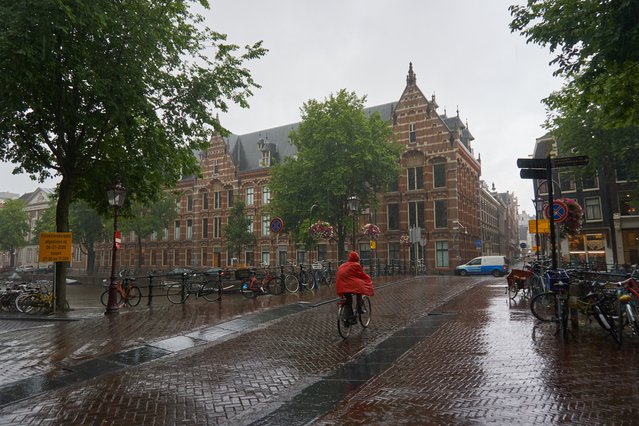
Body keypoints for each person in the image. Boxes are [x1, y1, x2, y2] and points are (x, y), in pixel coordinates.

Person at [335, 251, 374, 325]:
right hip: (347, 284)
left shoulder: (343, 265)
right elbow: (362, 275)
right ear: (357, 259)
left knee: (348, 299)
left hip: (340, 285)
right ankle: (358, 310)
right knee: (359, 291)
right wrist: (368, 280)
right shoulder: (356, 265)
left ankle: (347, 317)